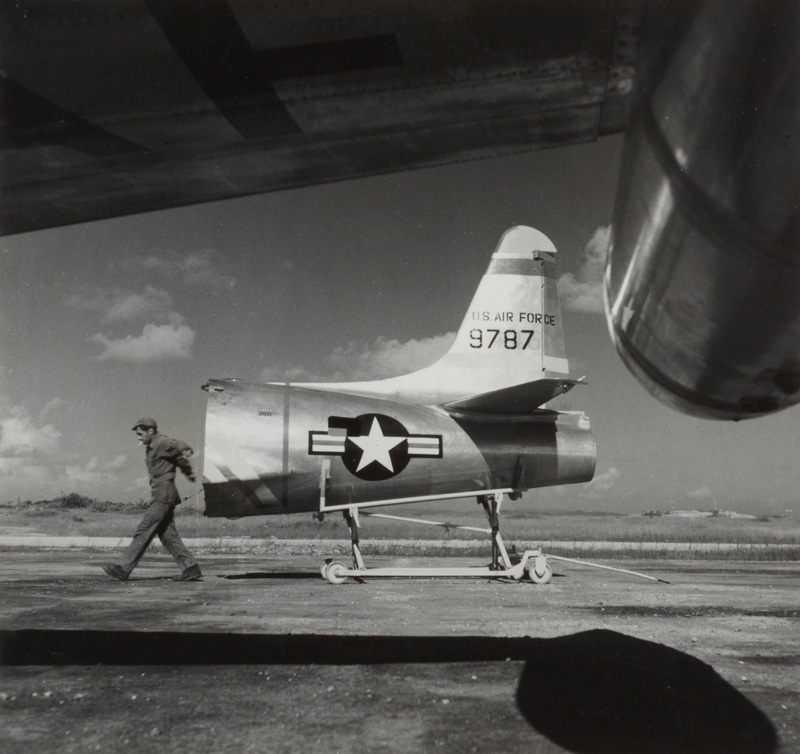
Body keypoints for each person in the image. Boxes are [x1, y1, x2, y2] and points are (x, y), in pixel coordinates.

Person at [102, 418, 202, 582]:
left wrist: (186, 450)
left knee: (145, 528)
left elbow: (176, 444)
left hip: (164, 493)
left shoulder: (161, 442)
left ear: (150, 431)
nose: (138, 438)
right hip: (161, 492)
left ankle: (123, 568)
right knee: (168, 536)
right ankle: (191, 568)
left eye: (140, 434)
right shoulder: (151, 447)